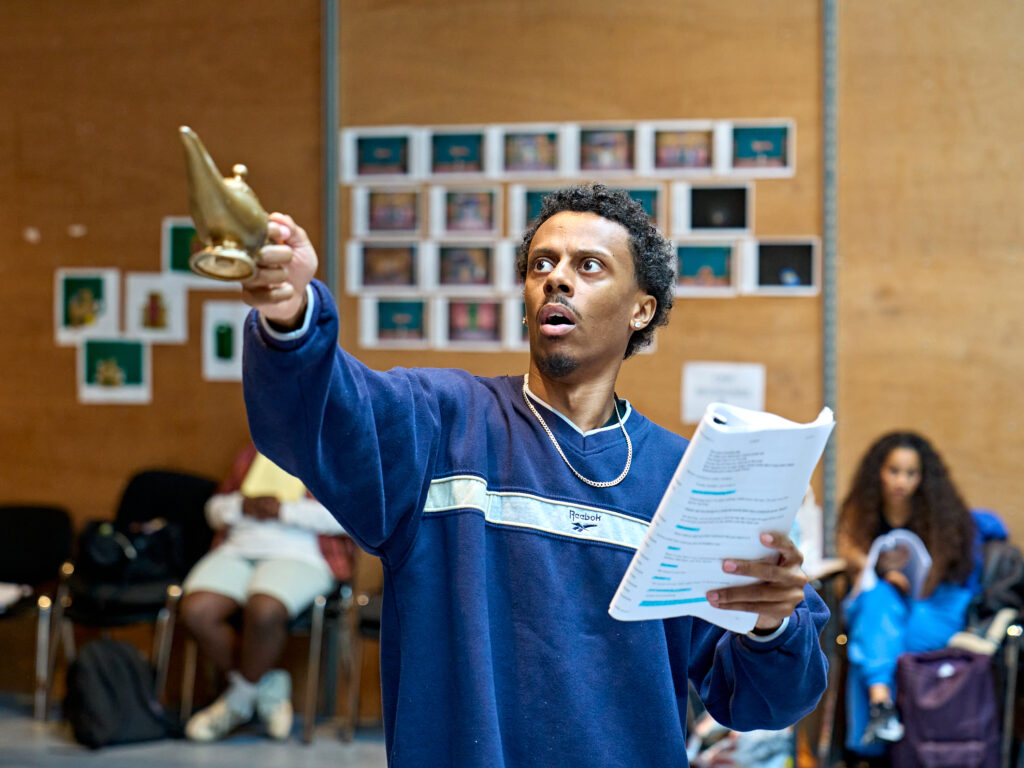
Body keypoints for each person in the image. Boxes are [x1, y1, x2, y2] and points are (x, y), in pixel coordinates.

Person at [241, 183, 830, 766]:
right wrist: (291, 316)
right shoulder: (440, 426)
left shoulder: (685, 480)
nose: (556, 279)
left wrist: (771, 624)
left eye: (589, 266)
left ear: (641, 309)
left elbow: (762, 699)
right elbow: (319, 413)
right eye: (541, 264)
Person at [837, 431, 1006, 760]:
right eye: (894, 471)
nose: (901, 481)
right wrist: (883, 572)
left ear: (923, 477)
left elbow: (943, 578)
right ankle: (885, 711)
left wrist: (910, 583)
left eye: (910, 473)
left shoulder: (944, 518)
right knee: (878, 604)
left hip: (937, 606)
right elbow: (856, 568)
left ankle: (878, 714)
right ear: (878, 473)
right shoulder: (861, 515)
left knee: (873, 640)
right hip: (885, 606)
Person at [178, 443, 353, 741]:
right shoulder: (253, 451)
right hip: (238, 548)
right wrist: (241, 507)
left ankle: (236, 703)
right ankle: (265, 687)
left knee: (264, 609)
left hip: (302, 553)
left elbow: (352, 519)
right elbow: (213, 509)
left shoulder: (335, 450)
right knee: (196, 611)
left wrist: (285, 510)